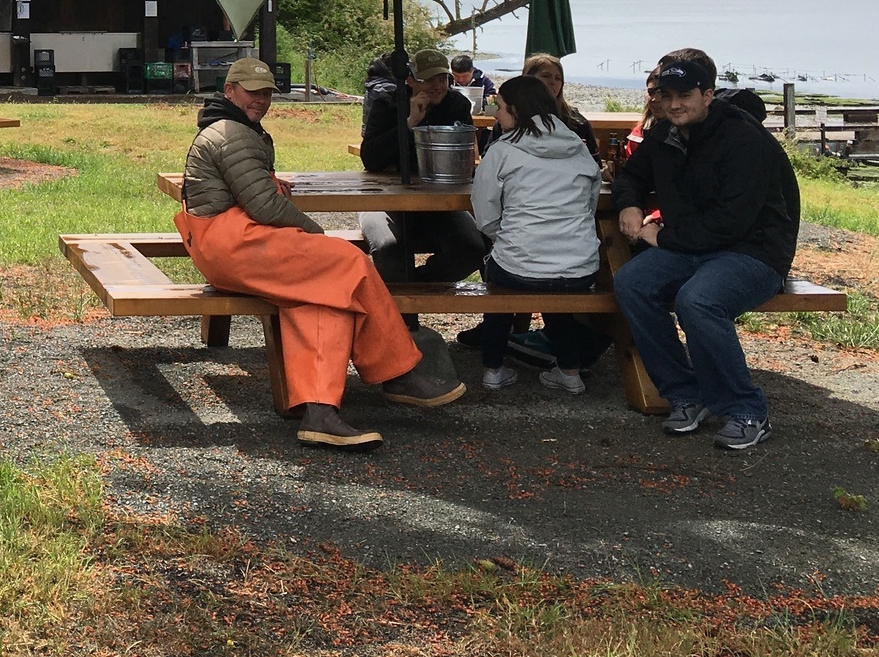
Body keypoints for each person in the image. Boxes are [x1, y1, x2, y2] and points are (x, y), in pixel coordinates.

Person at [178, 58, 464, 450]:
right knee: (347, 260)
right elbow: (263, 207)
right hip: (232, 244)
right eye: (251, 91)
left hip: (222, 246)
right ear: (229, 91)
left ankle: (319, 414)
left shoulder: (231, 129)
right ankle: (398, 372)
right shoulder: (233, 133)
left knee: (324, 297)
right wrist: (314, 231)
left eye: (266, 93)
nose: (260, 100)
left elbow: (246, 187)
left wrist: (270, 183)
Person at [611, 52, 800, 450]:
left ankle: (747, 410)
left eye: (685, 94)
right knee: (631, 281)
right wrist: (628, 203)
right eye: (666, 95)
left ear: (708, 95)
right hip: (692, 247)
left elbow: (731, 221)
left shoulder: (743, 138)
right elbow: (631, 173)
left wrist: (661, 238)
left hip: (754, 252)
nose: (675, 103)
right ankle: (685, 394)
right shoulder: (665, 135)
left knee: (697, 299)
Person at [469, 75, 608, 393]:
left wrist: (503, 236)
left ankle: (493, 368)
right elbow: (590, 203)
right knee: (556, 285)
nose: (495, 115)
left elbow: (484, 210)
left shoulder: (503, 151)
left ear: (516, 111)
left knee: (501, 281)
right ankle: (570, 371)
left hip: (519, 264)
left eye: (500, 108)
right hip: (579, 268)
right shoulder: (579, 147)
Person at [357, 47, 488, 294]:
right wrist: (409, 125)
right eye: (428, 80)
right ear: (410, 80)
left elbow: (466, 157)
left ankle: (414, 290)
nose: (437, 86)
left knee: (472, 247)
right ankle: (405, 324)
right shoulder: (387, 104)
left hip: (436, 202)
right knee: (388, 248)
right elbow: (371, 160)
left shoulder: (457, 105)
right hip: (385, 199)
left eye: (442, 79)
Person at [521, 52, 601, 162]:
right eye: (546, 76)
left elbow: (595, 163)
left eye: (558, 78)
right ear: (528, 80)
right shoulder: (511, 118)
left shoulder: (576, 122)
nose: (553, 82)